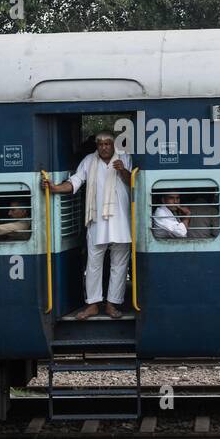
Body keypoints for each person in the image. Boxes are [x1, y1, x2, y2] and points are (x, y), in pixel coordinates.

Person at [42, 131, 131, 319]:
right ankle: (92, 305)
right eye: (100, 144)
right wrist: (55, 188)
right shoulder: (89, 161)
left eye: (108, 143)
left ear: (114, 144)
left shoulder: (124, 157)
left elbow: (134, 182)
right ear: (96, 146)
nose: (104, 147)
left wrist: (123, 170)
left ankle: (111, 304)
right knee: (93, 264)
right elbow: (76, 181)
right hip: (97, 222)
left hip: (121, 221)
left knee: (119, 264)